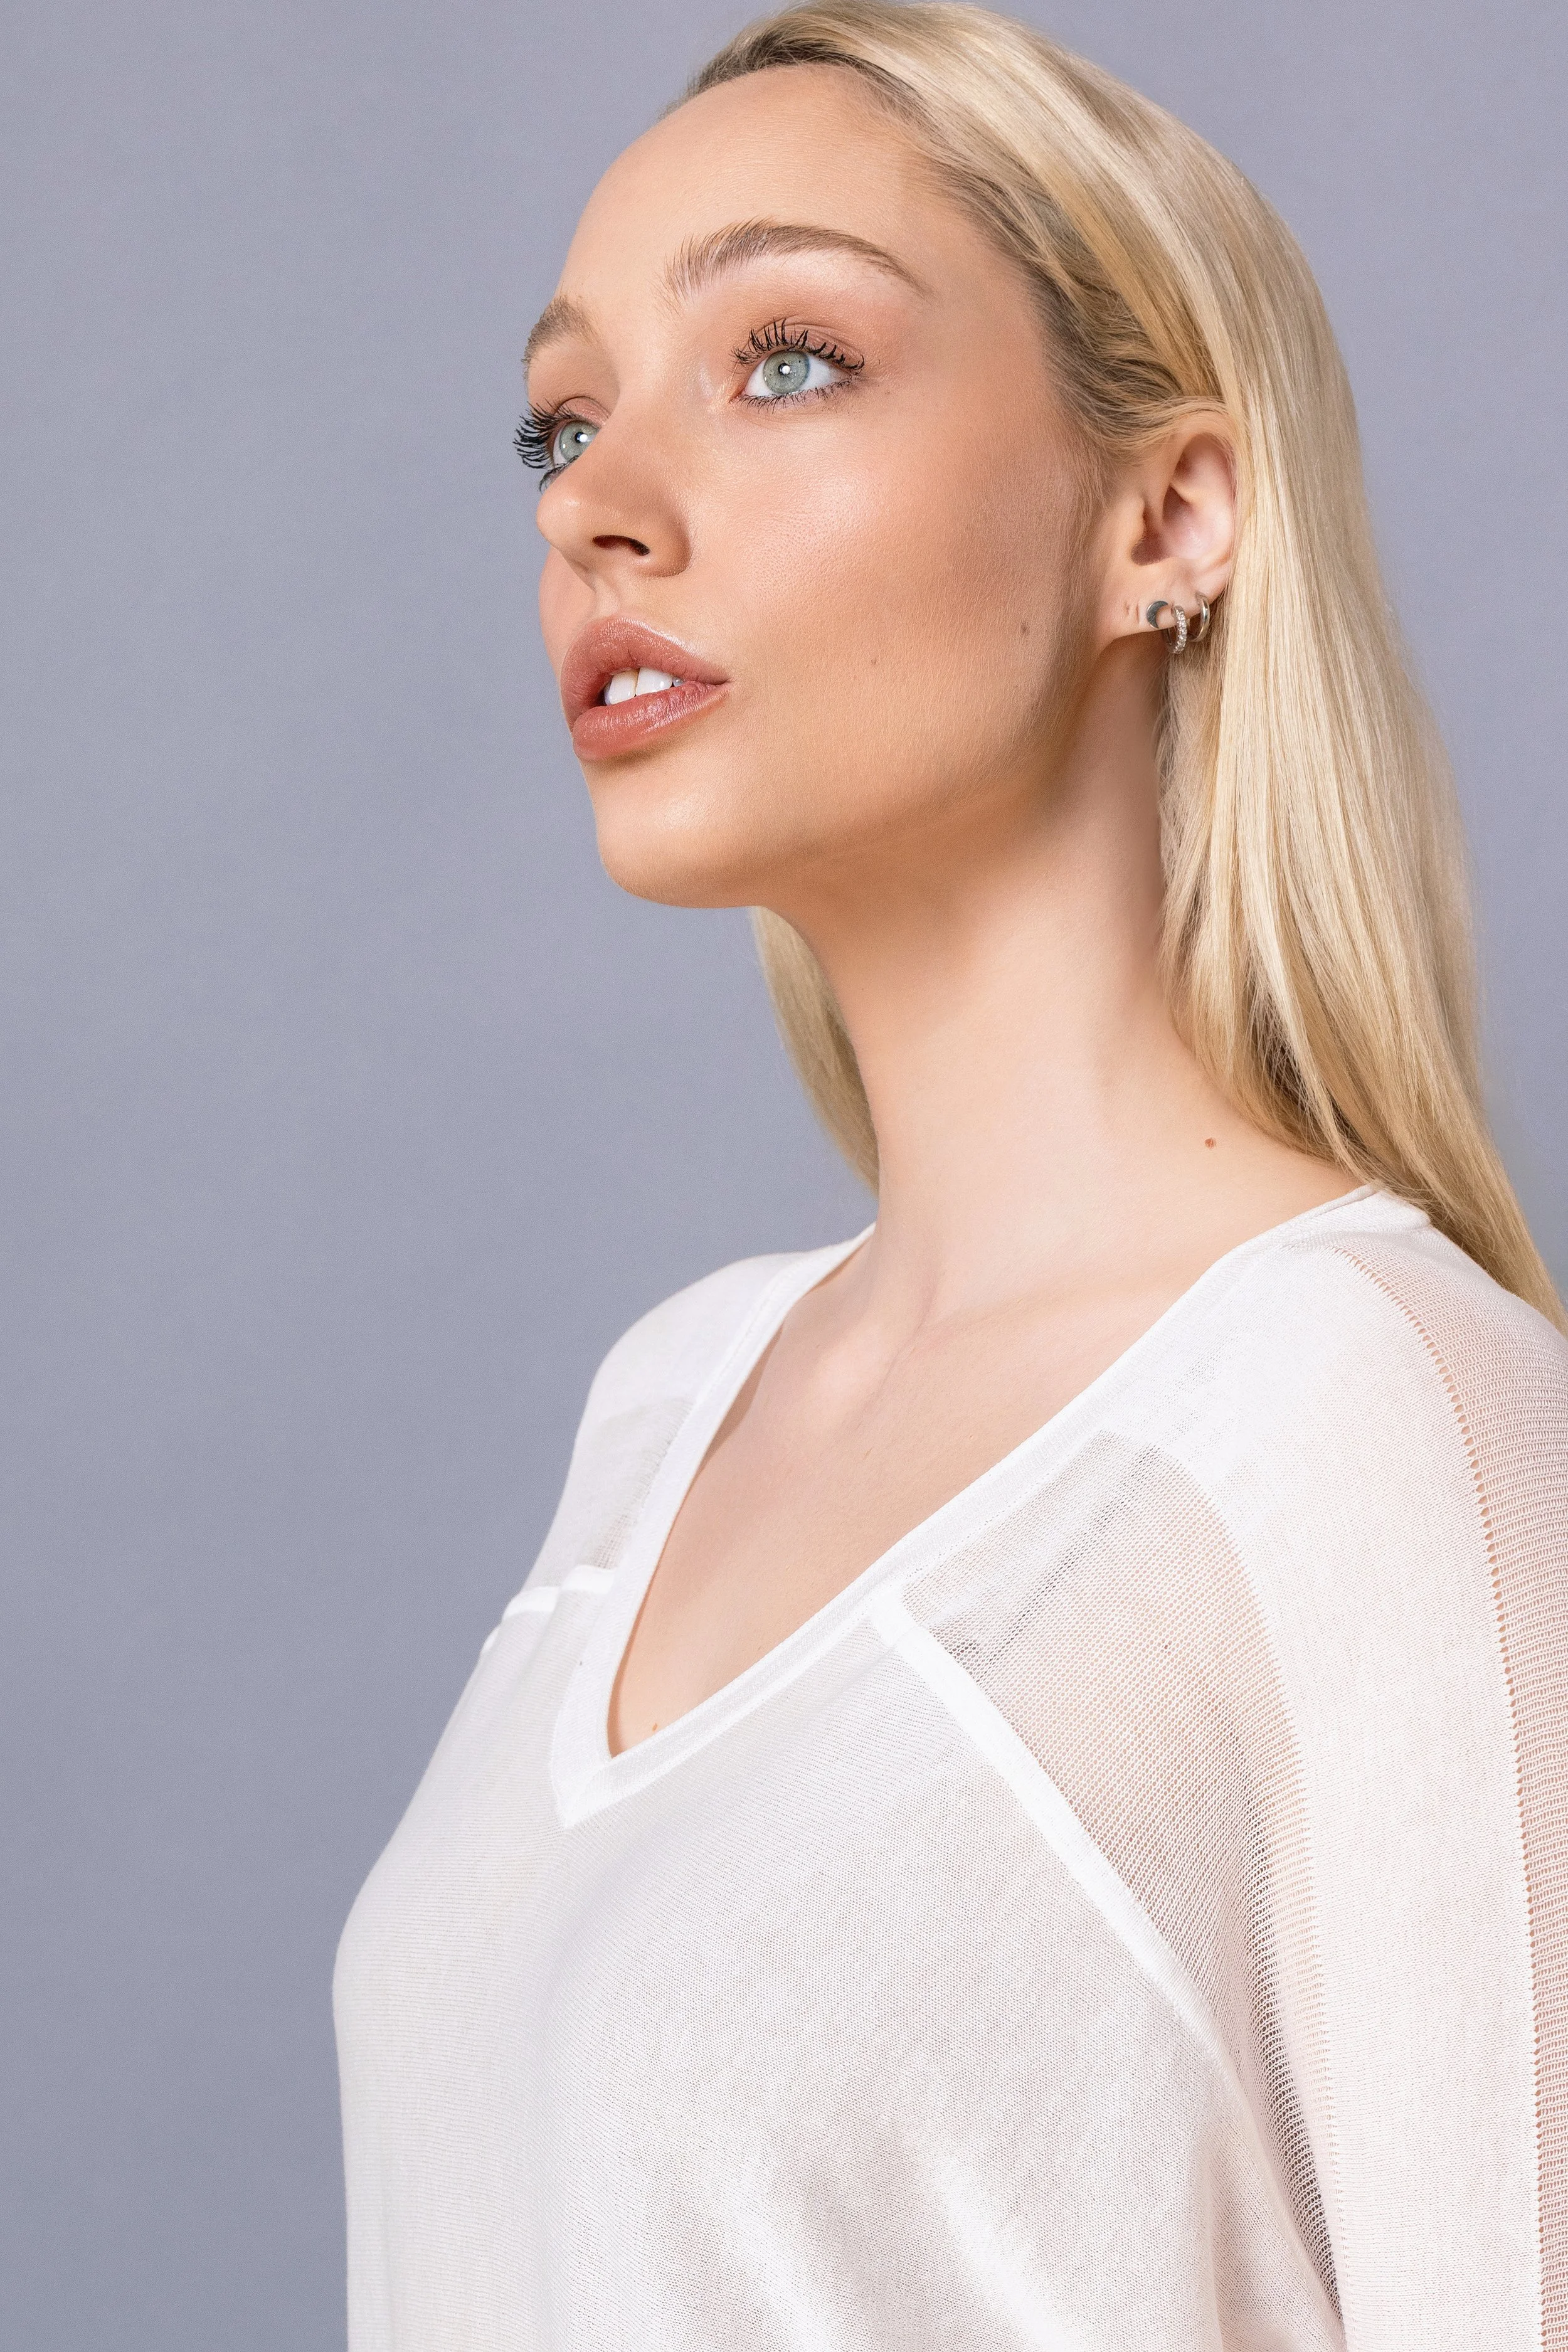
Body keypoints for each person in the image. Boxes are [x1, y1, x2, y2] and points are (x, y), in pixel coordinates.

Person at [333, 6, 1567, 2345]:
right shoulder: (667, 1397)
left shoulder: (1379, 1428)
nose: (590, 496)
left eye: (783, 357)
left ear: (1167, 513)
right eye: (560, 412)